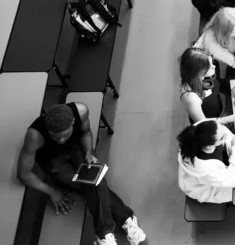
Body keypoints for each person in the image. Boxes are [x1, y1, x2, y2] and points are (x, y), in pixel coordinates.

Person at [16, 103, 146, 245]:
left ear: (73, 122)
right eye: (55, 136)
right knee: (91, 184)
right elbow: (24, 174)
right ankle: (126, 220)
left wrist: (88, 151)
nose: (60, 140)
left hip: (76, 149)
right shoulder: (35, 135)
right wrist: (52, 192)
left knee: (94, 181)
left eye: (65, 135)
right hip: (53, 162)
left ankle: (105, 234)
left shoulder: (81, 112)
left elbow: (85, 132)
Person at [177, 119, 235, 203]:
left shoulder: (204, 128)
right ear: (209, 146)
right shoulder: (205, 168)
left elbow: (230, 138)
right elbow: (234, 179)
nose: (225, 136)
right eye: (222, 137)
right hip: (208, 187)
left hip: (217, 173)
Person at [179, 47, 235, 125]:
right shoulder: (190, 97)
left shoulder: (202, 77)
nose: (214, 66)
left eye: (212, 63)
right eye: (210, 66)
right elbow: (204, 124)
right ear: (198, 72)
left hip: (224, 104)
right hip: (218, 121)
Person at [194, 7, 235, 79]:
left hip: (225, 44)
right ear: (224, 34)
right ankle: (222, 80)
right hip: (205, 61)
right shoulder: (213, 47)